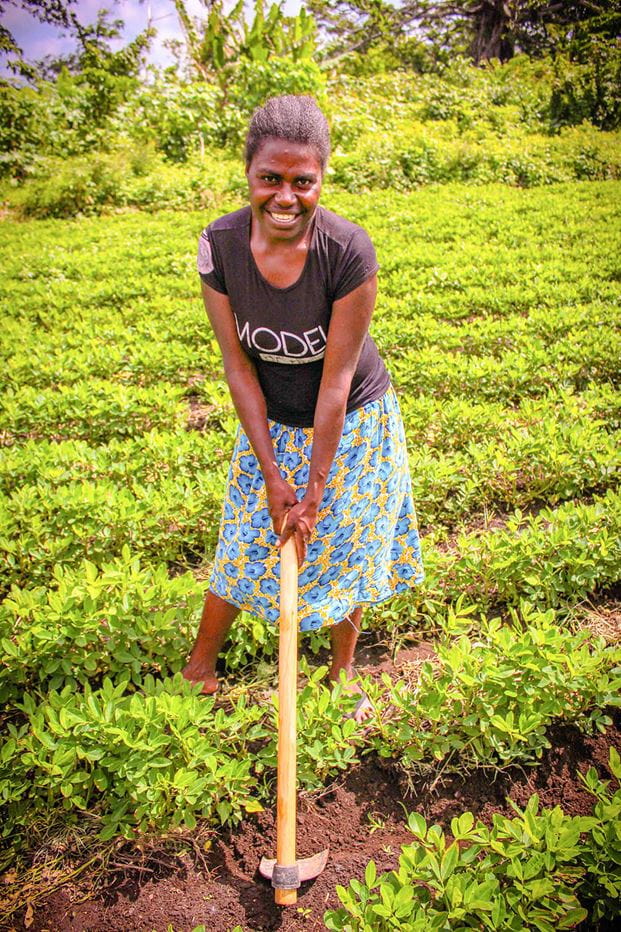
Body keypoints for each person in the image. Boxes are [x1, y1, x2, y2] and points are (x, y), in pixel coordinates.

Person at [182, 95, 423, 721]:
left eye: (301, 181)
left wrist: (314, 488)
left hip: (351, 422)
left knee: (347, 545)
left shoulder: (347, 252)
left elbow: (336, 383)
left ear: (321, 179)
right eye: (270, 179)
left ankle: (343, 674)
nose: (284, 196)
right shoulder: (221, 246)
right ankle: (200, 663)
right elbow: (239, 366)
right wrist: (270, 473)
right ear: (249, 174)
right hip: (271, 418)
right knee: (242, 541)